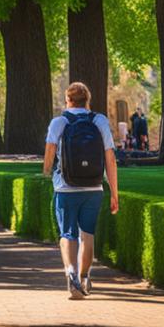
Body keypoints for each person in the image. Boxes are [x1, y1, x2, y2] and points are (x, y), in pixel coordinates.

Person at [44, 82, 119, 299]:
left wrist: (47, 172)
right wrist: (114, 191)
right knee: (88, 234)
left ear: (68, 100)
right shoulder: (99, 121)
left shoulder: (59, 122)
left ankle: (71, 274)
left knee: (68, 233)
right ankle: (85, 277)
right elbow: (110, 158)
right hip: (94, 186)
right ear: (88, 101)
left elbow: (50, 150)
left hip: (65, 187)